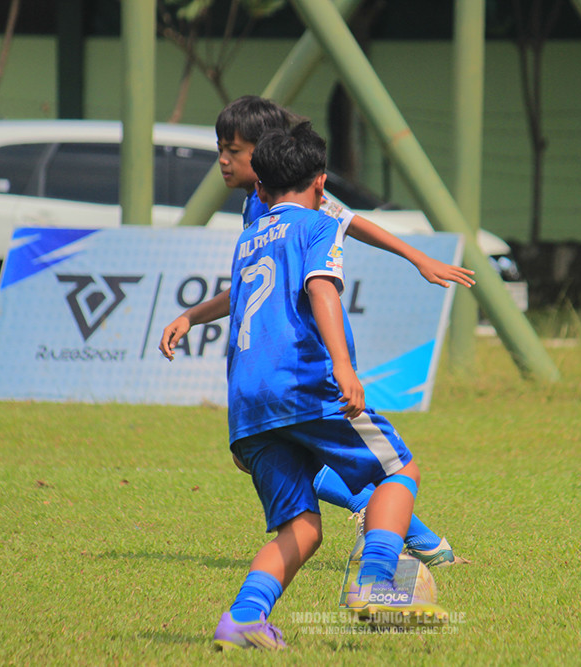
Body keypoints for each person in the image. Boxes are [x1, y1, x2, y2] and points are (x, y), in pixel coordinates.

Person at [160, 96, 471, 567]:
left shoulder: (297, 202)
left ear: (264, 155)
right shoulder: (259, 212)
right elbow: (254, 290)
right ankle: (397, 548)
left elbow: (352, 227)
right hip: (292, 374)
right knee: (369, 462)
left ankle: (415, 538)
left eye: (235, 150)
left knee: (314, 455)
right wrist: (193, 315)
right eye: (220, 148)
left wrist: (418, 258)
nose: (223, 160)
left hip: (288, 372)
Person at [204, 122, 447, 649]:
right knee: (400, 469)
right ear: (321, 183)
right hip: (305, 386)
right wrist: (343, 365)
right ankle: (378, 583)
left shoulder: (249, 236)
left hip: (248, 404)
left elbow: (242, 300)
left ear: (261, 188)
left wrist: (190, 317)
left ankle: (245, 618)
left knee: (303, 528)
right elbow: (322, 288)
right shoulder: (317, 227)